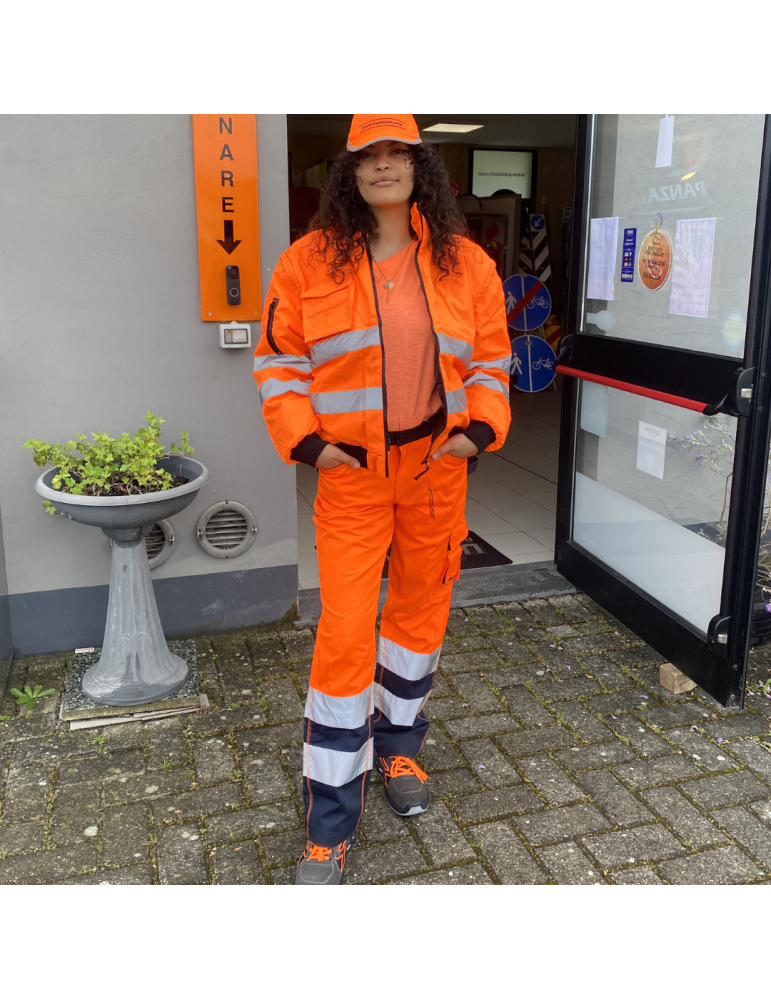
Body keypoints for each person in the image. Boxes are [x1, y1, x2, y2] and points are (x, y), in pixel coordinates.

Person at [253, 114, 511, 885]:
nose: (384, 167)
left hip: (437, 469)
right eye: (369, 156)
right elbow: (278, 361)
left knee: (418, 621)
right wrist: (310, 443)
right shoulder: (307, 263)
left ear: (420, 167)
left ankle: (400, 748)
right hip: (353, 477)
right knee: (343, 633)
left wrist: (480, 430)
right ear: (349, 171)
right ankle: (329, 821)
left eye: (399, 153)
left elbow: (494, 358)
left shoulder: (467, 264)